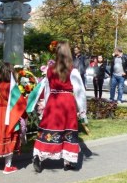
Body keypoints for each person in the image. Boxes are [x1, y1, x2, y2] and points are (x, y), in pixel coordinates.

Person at [32, 41, 87, 173]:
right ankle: (68, 161)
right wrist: (83, 112)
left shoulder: (50, 70)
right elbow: (80, 92)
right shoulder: (72, 71)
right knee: (68, 130)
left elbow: (47, 89)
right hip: (67, 102)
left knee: (49, 128)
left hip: (54, 101)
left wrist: (45, 106)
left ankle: (38, 156)